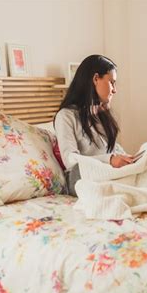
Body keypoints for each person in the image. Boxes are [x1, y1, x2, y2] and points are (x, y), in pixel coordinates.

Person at [54, 54, 134, 196]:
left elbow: (112, 150)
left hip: (107, 173)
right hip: (81, 177)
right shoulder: (66, 116)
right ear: (96, 79)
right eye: (112, 82)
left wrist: (128, 159)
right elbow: (70, 160)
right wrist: (109, 160)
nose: (115, 90)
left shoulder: (101, 114)